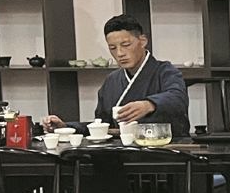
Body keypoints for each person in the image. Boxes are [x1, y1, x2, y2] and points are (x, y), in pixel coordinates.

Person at [43, 15, 188, 133]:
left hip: (164, 151)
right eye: (112, 48)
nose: (119, 53)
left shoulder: (165, 71)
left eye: (126, 45)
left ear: (142, 41)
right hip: (121, 151)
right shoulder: (112, 80)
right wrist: (66, 127)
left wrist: (148, 104)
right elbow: (102, 125)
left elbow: (178, 98)